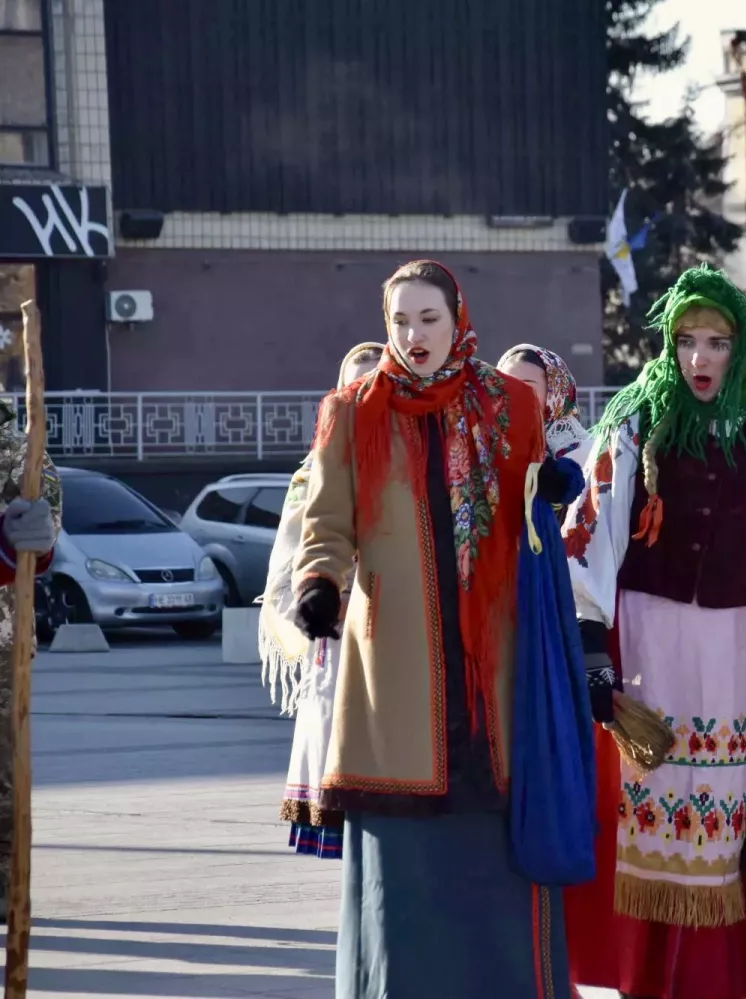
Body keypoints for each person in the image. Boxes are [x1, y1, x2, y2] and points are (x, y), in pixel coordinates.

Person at [292, 260, 580, 998]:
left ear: (458, 318)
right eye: (399, 321)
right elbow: (325, 524)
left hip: (497, 670)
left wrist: (551, 491)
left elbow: (535, 509)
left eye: (428, 319)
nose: (414, 336)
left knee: (494, 873)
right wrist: (318, 586)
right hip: (396, 672)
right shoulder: (354, 409)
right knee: (406, 876)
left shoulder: (511, 403)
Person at [562, 264, 746, 999]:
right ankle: (650, 979)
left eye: (718, 341)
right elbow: (593, 530)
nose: (700, 358)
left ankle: (723, 980)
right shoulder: (637, 420)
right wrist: (590, 642)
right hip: (652, 638)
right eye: (686, 340)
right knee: (653, 808)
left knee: (731, 812)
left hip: (739, 642)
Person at [260, 341, 383, 860]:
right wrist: (319, 597)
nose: (362, 394)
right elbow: (293, 550)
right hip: (343, 628)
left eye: (374, 382)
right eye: (352, 385)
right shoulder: (314, 469)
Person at [0, 397, 61, 911]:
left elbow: (43, 542)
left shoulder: (23, 451)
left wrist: (28, 541)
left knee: (4, 778)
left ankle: (5, 889)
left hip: (2, 645)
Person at [498, 344, 591, 464]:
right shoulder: (486, 451)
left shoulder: (588, 455)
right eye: (506, 387)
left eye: (526, 386)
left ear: (555, 392)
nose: (514, 395)